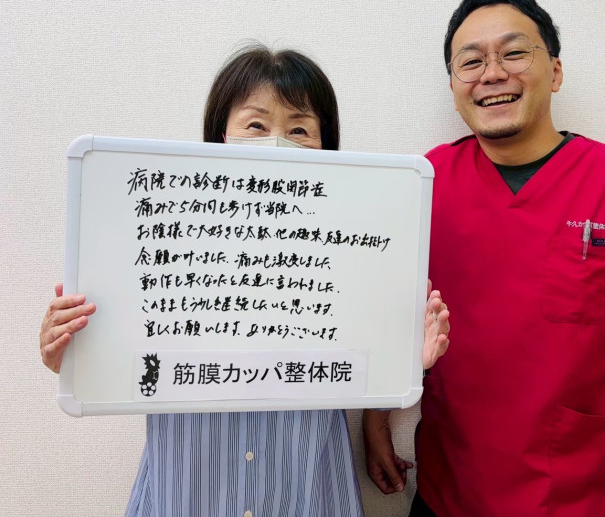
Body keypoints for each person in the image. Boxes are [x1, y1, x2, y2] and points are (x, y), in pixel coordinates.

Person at [363, 0, 605, 517]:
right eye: (471, 61)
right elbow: (388, 312)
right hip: (448, 497)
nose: (492, 73)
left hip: (575, 500)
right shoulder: (424, 181)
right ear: (453, 85)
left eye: (514, 53)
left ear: (555, 71)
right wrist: (376, 422)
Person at [39, 44, 450, 517]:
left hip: (308, 487)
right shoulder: (161, 235)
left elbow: (371, 360)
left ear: (327, 147)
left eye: (300, 129)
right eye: (256, 125)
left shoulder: (355, 250)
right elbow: (115, 358)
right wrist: (70, 351)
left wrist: (406, 359)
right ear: (220, 134)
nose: (278, 141)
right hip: (189, 488)